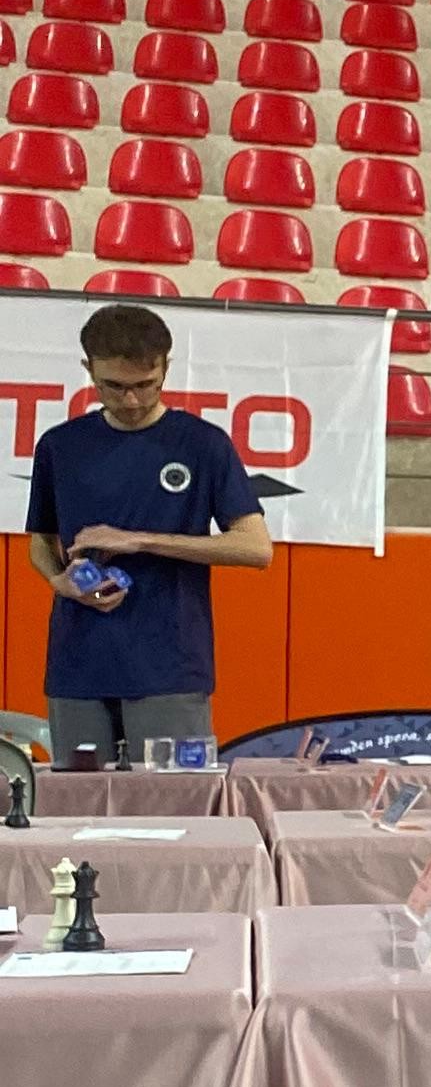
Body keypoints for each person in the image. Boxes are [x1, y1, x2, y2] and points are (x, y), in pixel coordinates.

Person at [24, 303, 271, 767]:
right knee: (80, 804)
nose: (132, 400)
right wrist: (58, 581)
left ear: (165, 368)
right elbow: (40, 540)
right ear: (88, 370)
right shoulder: (60, 446)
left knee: (174, 802)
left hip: (169, 665)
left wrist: (139, 540)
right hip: (77, 664)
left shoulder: (203, 444)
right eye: (114, 386)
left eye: (145, 385)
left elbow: (256, 548)